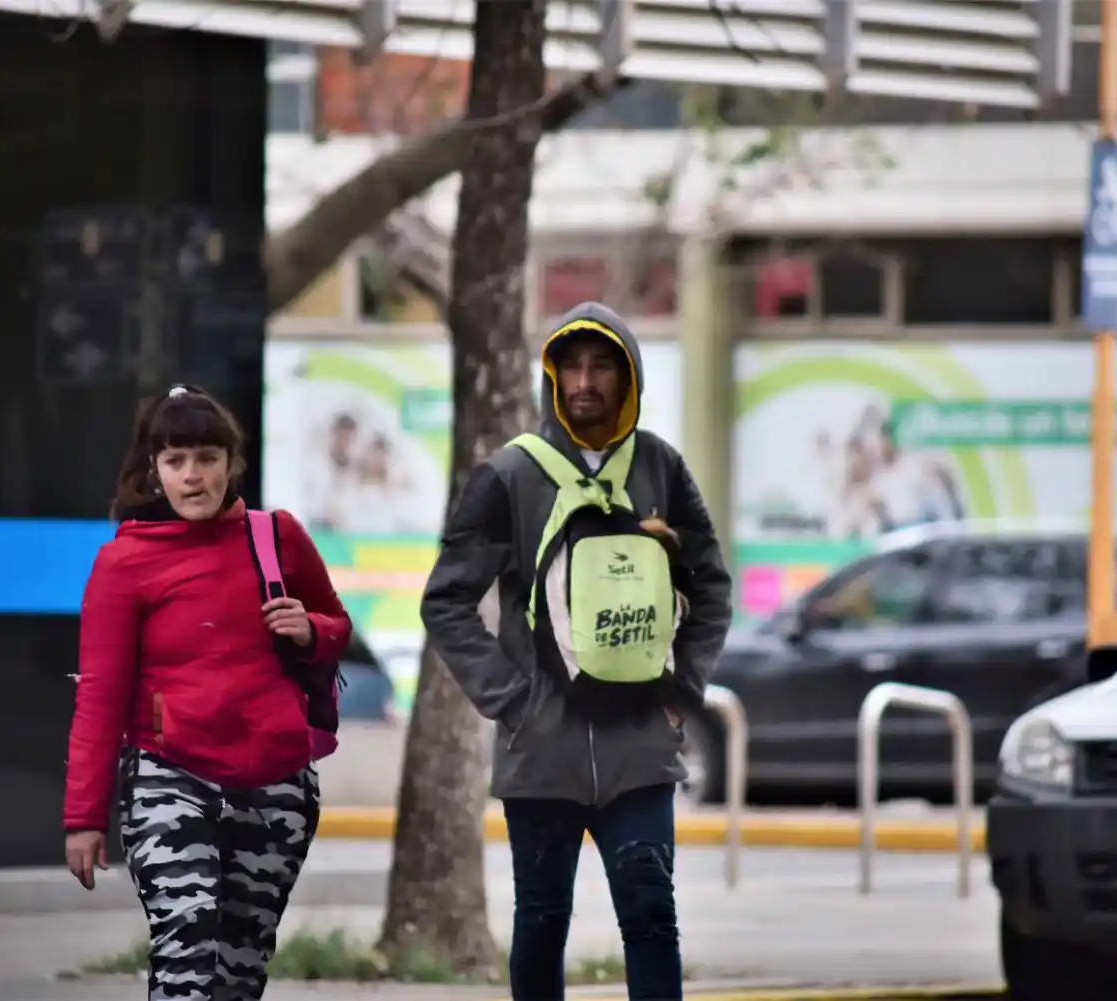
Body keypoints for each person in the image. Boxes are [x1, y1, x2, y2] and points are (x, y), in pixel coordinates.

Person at [421, 302, 733, 1001]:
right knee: (540, 922)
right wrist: (514, 702)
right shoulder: (508, 474)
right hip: (542, 755)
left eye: (603, 366)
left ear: (629, 379)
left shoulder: (660, 466)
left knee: (653, 916)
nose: (586, 381)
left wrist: (681, 693)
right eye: (573, 366)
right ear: (553, 376)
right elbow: (445, 600)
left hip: (640, 749)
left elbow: (710, 586)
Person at [63, 384, 352, 1001]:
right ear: (153, 470)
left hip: (275, 780)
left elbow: (336, 628)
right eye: (176, 461)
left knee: (240, 973)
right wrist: (83, 819)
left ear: (231, 463)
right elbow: (99, 697)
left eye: (207, 458)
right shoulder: (124, 563)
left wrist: (310, 631)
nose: (193, 477)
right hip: (171, 775)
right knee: (187, 952)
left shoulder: (276, 537)